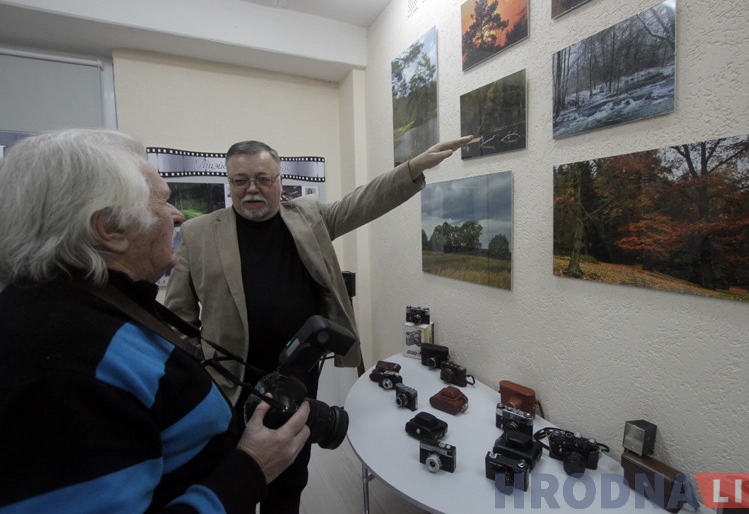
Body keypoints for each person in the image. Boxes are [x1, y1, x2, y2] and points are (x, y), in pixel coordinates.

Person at [0, 129, 310, 513]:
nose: (177, 216)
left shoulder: (88, 306)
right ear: (110, 228)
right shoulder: (63, 368)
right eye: (163, 201)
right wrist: (251, 467)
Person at [164, 134, 472, 511]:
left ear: (280, 181)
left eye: (263, 178)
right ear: (229, 184)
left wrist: (412, 169)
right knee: (235, 479)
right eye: (240, 181)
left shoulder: (308, 216)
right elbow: (176, 316)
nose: (251, 190)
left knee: (290, 476)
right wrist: (198, 368)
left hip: (298, 375)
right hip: (229, 384)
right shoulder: (197, 234)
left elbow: (362, 203)